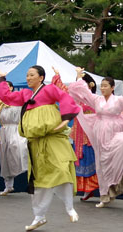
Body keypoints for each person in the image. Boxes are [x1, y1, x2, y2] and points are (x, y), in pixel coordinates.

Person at [0, 66, 80, 231]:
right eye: (27, 75)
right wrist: (2, 80)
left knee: (62, 170)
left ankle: (69, 207)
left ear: (41, 77)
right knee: (39, 181)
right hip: (35, 143)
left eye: (31, 74)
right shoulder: (25, 94)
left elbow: (65, 98)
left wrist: (66, 118)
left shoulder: (49, 90)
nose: (28, 77)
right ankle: (39, 216)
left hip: (53, 139)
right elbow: (7, 97)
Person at [68, 68, 123, 208]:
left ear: (112, 88)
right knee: (102, 163)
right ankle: (105, 195)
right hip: (100, 132)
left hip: (116, 128)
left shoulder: (119, 100)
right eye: (102, 86)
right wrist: (79, 76)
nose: (103, 88)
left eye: (106, 86)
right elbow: (82, 92)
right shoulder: (96, 100)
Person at [51, 67, 99, 201]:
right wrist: (57, 77)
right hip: (79, 134)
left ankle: (102, 189)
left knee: (93, 159)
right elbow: (64, 91)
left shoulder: (94, 99)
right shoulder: (75, 100)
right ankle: (86, 190)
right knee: (81, 160)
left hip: (91, 134)